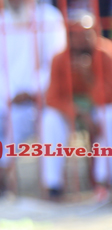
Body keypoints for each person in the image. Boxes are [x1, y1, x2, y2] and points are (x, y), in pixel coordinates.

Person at [0, 0, 67, 195]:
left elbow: (55, 62)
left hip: (40, 97)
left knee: (19, 120)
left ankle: (2, 175)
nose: (15, 0)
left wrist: (31, 91)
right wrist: (9, 94)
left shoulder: (49, 18)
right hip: (6, 97)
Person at [42, 12, 112, 201]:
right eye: (76, 35)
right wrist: (77, 112)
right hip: (72, 110)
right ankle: (53, 185)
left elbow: (108, 96)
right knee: (50, 119)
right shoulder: (59, 59)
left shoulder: (106, 54)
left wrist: (88, 76)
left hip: (99, 107)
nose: (82, 40)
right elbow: (52, 97)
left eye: (86, 34)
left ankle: (103, 180)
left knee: (109, 117)